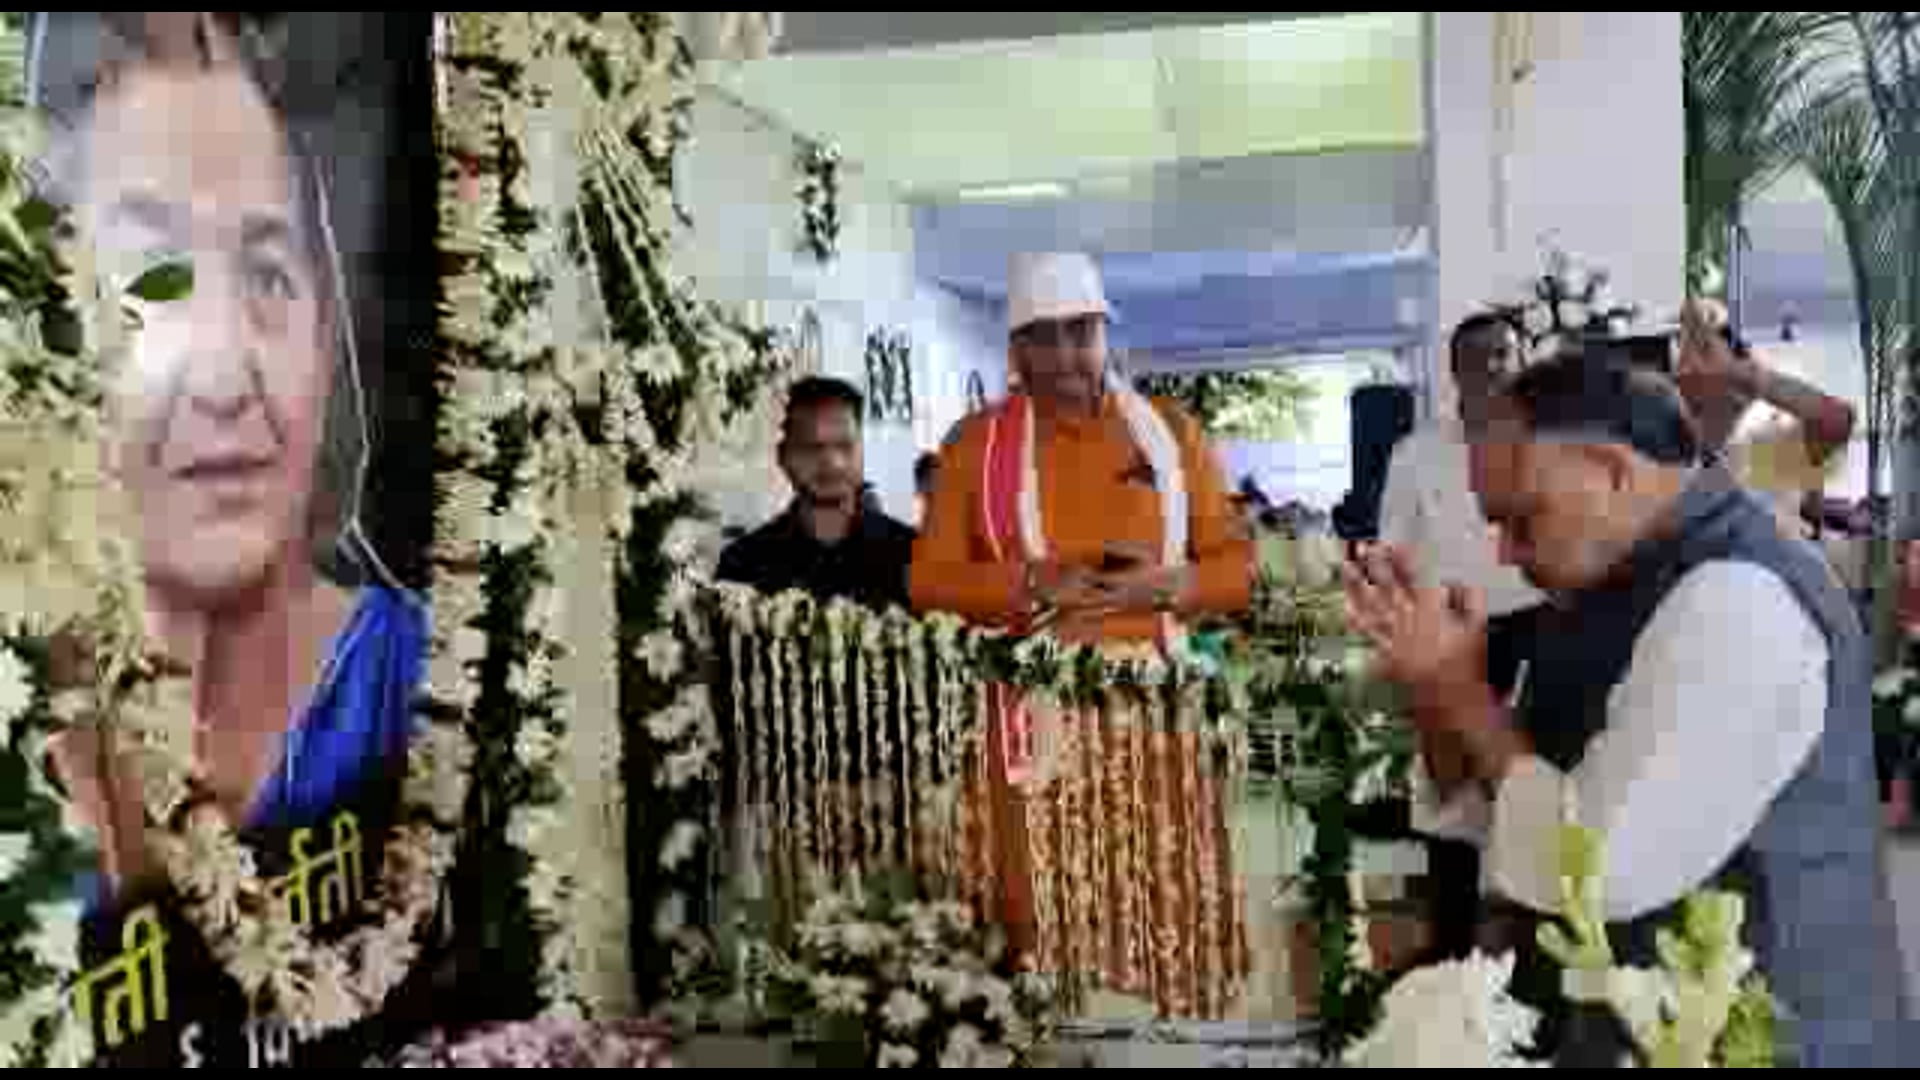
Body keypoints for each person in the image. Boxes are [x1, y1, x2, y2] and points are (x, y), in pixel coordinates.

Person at [1347, 353, 1908, 1066]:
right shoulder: (1602, 580)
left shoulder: (1736, 598)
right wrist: (1436, 684)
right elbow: (1497, 799)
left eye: (1521, 519)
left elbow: (1601, 867)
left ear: (1610, 472)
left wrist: (1462, 693)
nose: (1505, 553)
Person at [912, 252, 1252, 1018]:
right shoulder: (976, 445)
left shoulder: (1171, 433)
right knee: (1036, 915)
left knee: (1158, 903)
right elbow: (928, 581)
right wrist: (1031, 583)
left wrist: (1168, 586)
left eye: (1081, 332)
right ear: (1015, 351)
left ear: (1107, 333)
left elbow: (1237, 570)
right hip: (1030, 726)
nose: (1065, 355)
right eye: (1044, 337)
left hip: (1153, 723)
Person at [1377, 313, 1544, 963]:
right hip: (1450, 639)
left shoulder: (1543, 443)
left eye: (1506, 353)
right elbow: (1392, 552)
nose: (1496, 366)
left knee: (1526, 795)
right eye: (1480, 356)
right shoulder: (1416, 454)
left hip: (1538, 633)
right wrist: (1406, 649)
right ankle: (1447, 959)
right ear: (1454, 371)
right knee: (1451, 811)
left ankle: (1526, 967)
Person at [717, 376, 917, 611]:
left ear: (862, 449)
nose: (832, 462)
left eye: (845, 446)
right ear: (783, 456)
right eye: (812, 448)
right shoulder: (743, 565)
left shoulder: (912, 554)